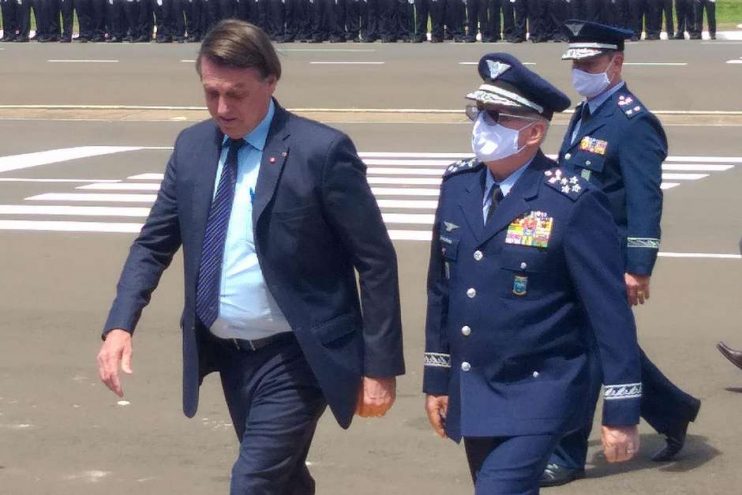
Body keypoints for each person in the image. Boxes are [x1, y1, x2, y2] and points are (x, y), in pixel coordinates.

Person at [96, 19, 404, 494]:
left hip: (298, 353)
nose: (222, 108)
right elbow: (153, 243)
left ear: (270, 81)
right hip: (231, 354)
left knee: (252, 482)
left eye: (236, 94)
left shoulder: (320, 152)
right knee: (284, 480)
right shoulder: (193, 148)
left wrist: (380, 365)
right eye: (211, 93)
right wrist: (120, 325)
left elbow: (376, 260)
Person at [423, 52, 642, 495]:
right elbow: (442, 290)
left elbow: (608, 313)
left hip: (541, 389)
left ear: (534, 132)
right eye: (479, 113)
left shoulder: (570, 201)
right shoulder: (458, 187)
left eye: (497, 116)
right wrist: (437, 379)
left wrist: (622, 410)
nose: (483, 125)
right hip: (476, 384)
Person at [542, 19, 703, 487]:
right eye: (576, 63)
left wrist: (638, 267)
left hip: (606, 259)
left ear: (617, 63)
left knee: (585, 353)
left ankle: (567, 454)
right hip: (577, 252)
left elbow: (645, 200)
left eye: (589, 63)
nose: (580, 71)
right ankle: (673, 410)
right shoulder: (587, 111)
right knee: (603, 344)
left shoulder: (633, 123)